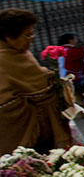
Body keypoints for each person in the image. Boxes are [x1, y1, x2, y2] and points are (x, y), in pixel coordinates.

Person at [0, 9, 71, 155]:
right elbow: (39, 89)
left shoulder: (20, 52)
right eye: (27, 34)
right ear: (8, 37)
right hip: (16, 127)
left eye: (32, 33)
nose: (31, 38)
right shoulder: (6, 57)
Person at [57, 32, 84, 98]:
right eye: (74, 39)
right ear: (70, 40)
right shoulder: (71, 51)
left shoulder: (61, 51)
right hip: (75, 80)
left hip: (65, 79)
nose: (76, 41)